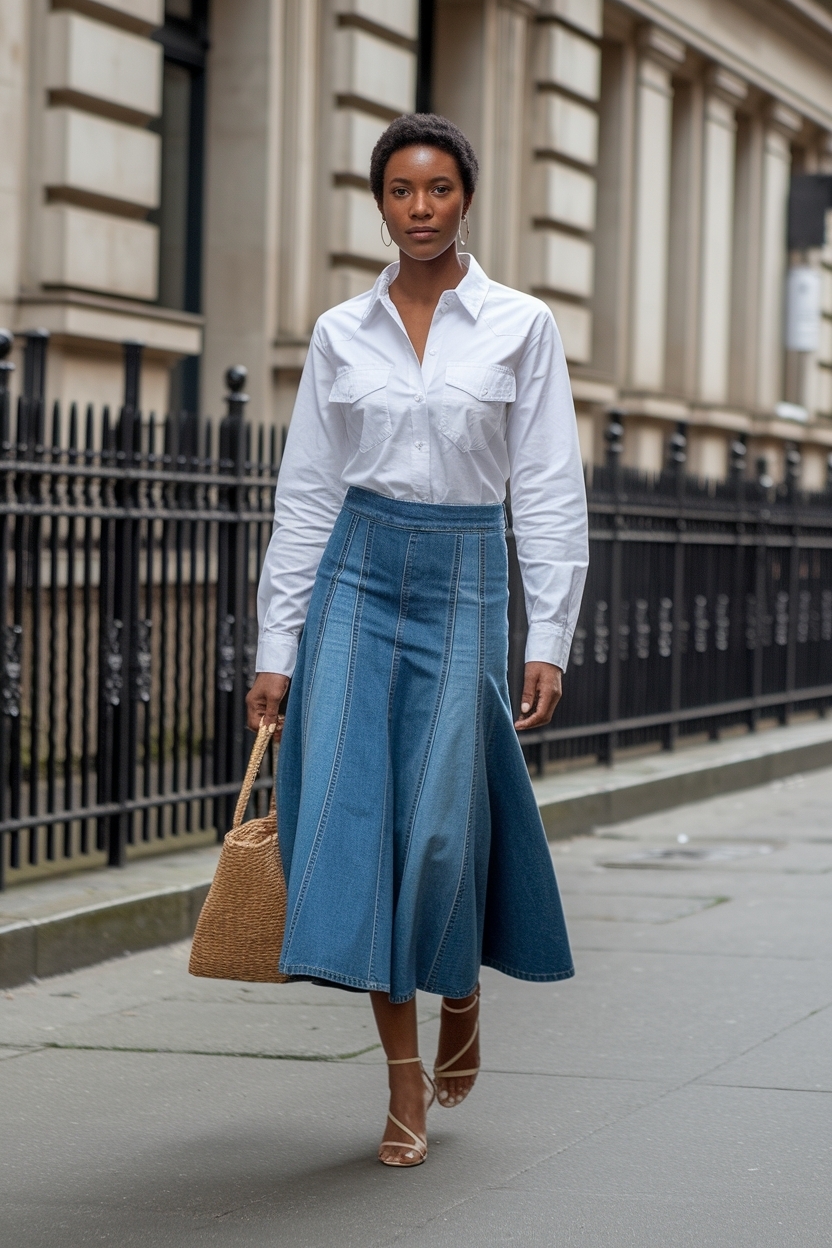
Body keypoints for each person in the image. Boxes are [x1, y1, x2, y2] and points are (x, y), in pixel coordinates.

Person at [247, 113, 588, 1168]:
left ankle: (463, 989)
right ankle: (401, 1084)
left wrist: (551, 631)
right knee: (362, 825)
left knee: (442, 831)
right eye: (402, 191)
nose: (421, 209)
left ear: (466, 199)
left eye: (439, 189)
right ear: (380, 203)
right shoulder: (340, 331)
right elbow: (306, 493)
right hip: (356, 573)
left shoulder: (521, 325)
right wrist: (278, 643)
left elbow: (544, 486)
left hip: (463, 579)